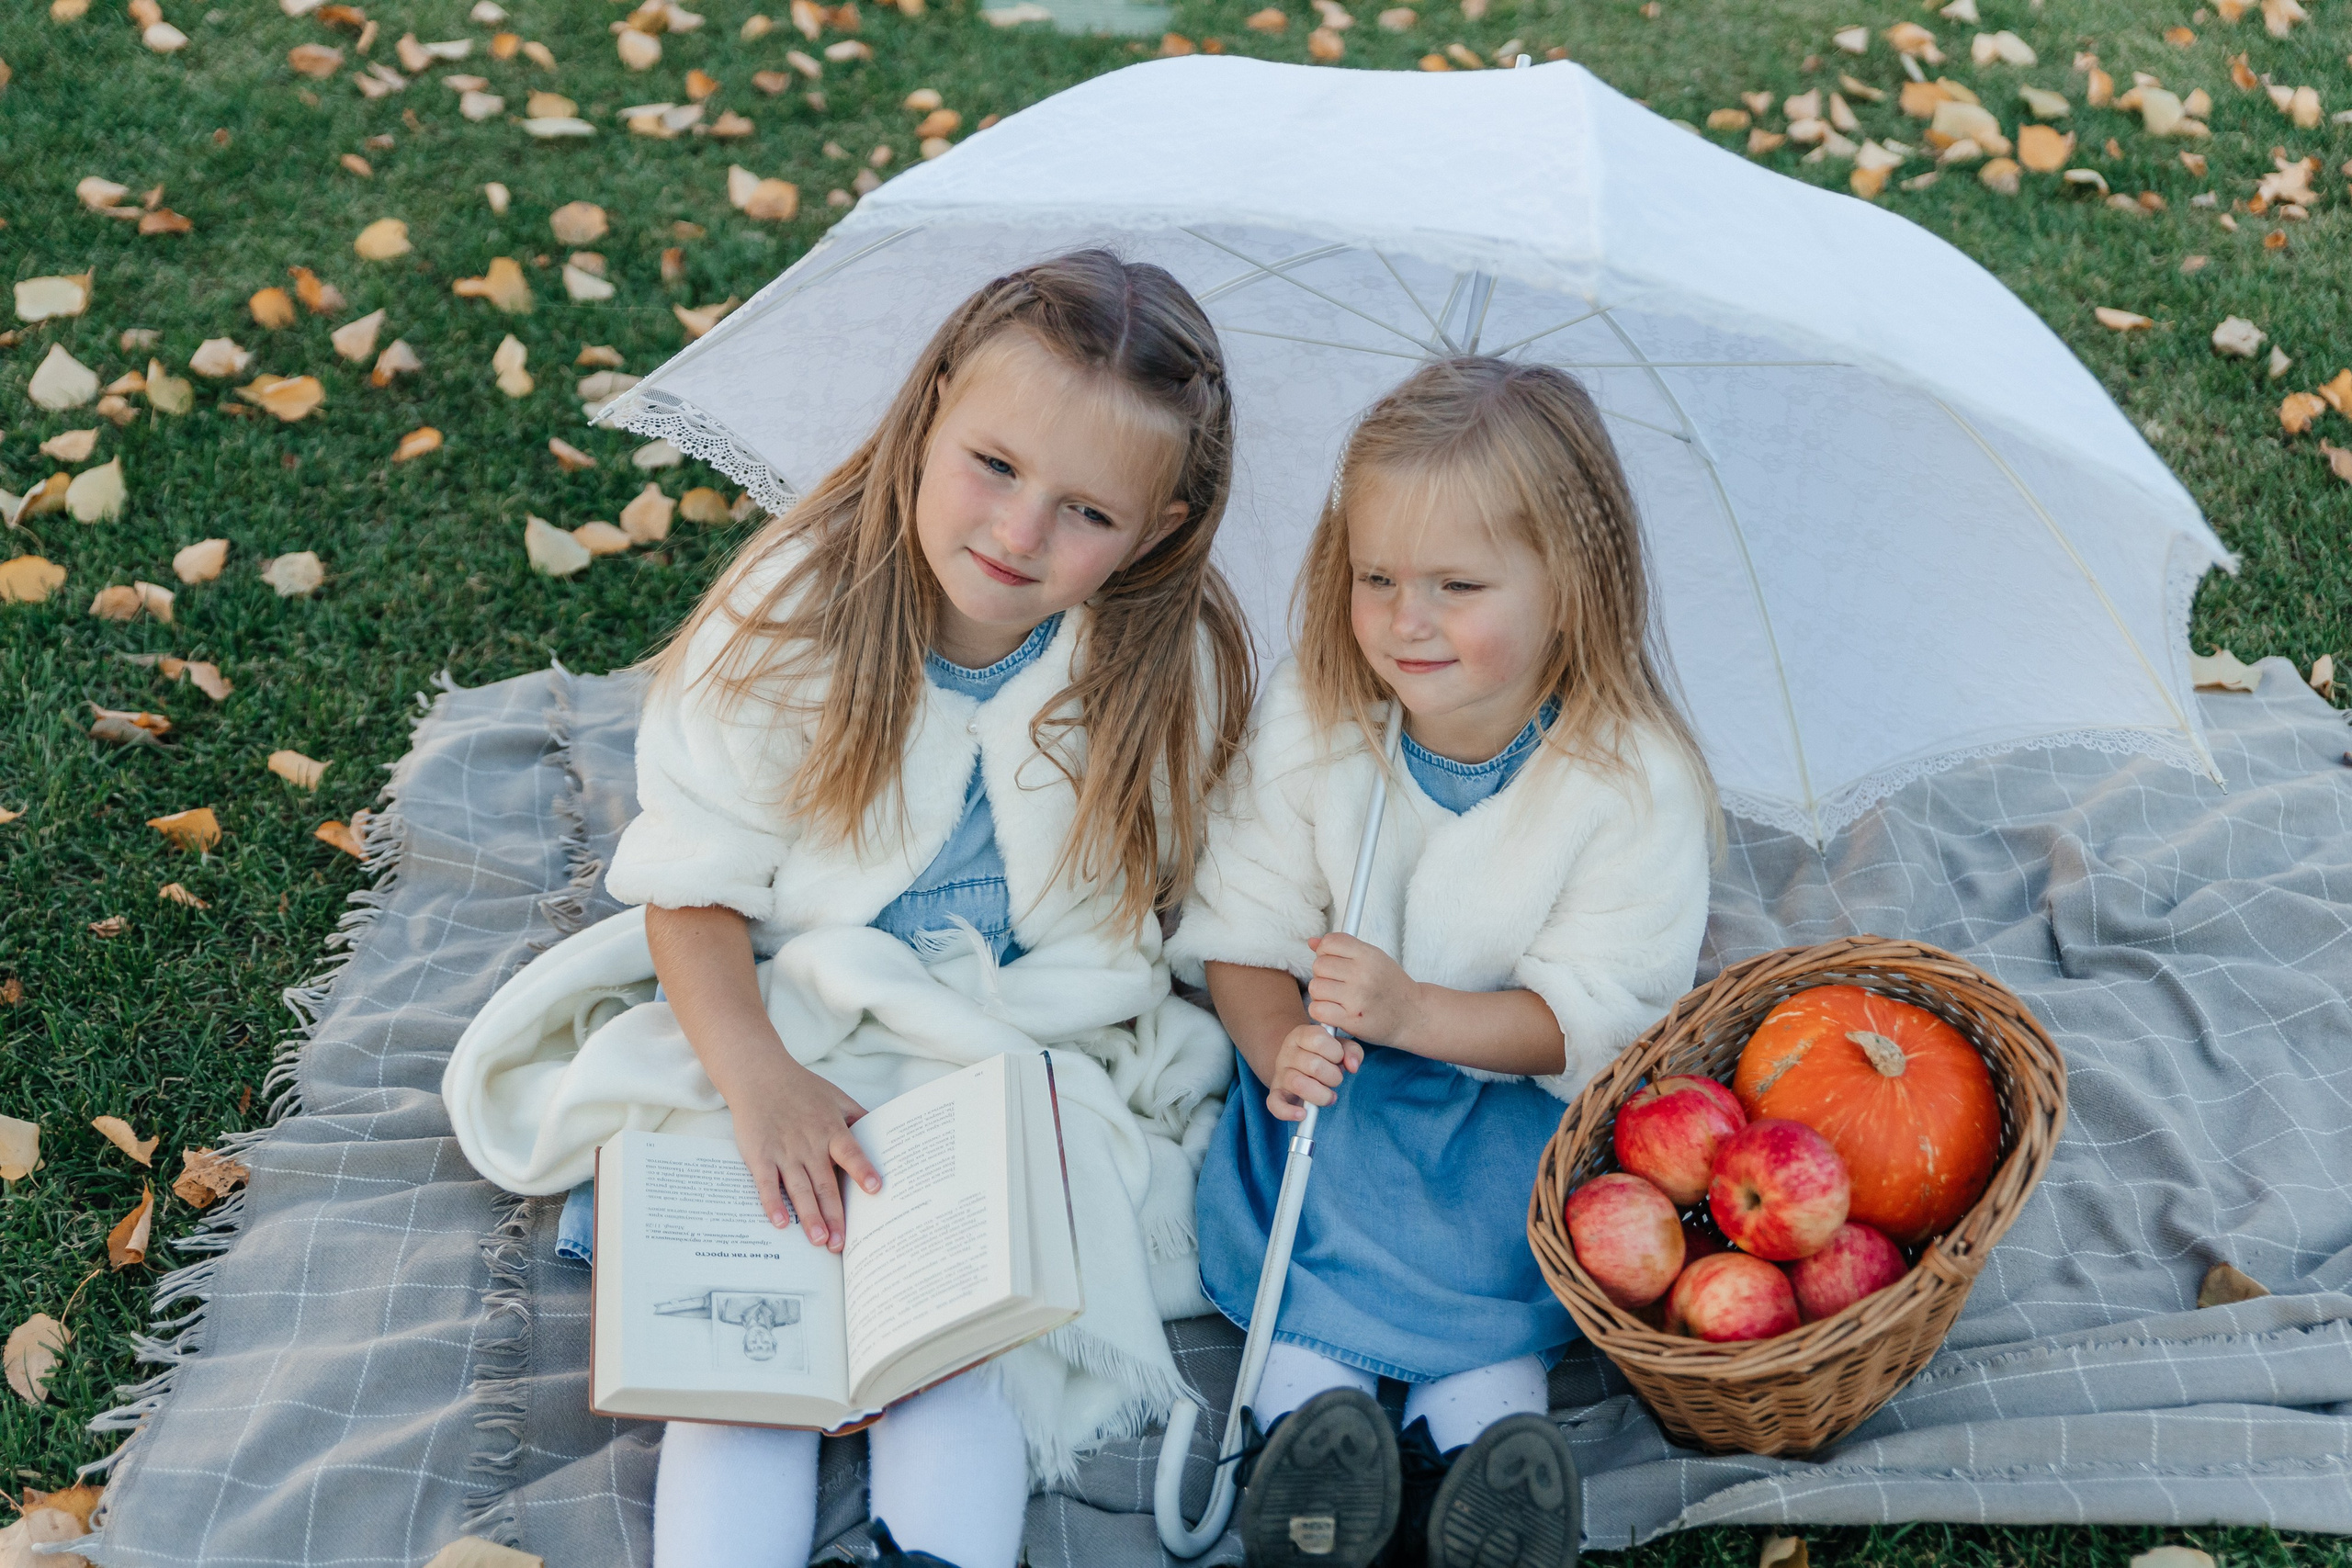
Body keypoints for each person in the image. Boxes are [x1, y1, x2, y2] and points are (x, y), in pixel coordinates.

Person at [609, 250, 1253, 1568]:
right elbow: (690, 890)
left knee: (960, 1353)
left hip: (1013, 1055)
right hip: (797, 1028)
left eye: (1088, 512)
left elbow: (1182, 898)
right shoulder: (793, 613)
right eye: (995, 466)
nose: (1019, 535)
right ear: (933, 408)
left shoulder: (1161, 665)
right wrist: (757, 1079)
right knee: (749, 1355)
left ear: (1163, 529)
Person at [1169, 356, 1719, 1568]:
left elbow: (1597, 1014)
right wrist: (1279, 1049)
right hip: (1340, 1103)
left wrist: (1416, 1010)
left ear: (1571, 587)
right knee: (1312, 1274)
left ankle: (1488, 1472)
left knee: (1486, 1306)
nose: (1405, 621)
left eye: (1457, 585)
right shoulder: (1323, 717)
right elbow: (1241, 922)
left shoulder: (1629, 782)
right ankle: (1309, 1461)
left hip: (1503, 1111)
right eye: (1377, 579)